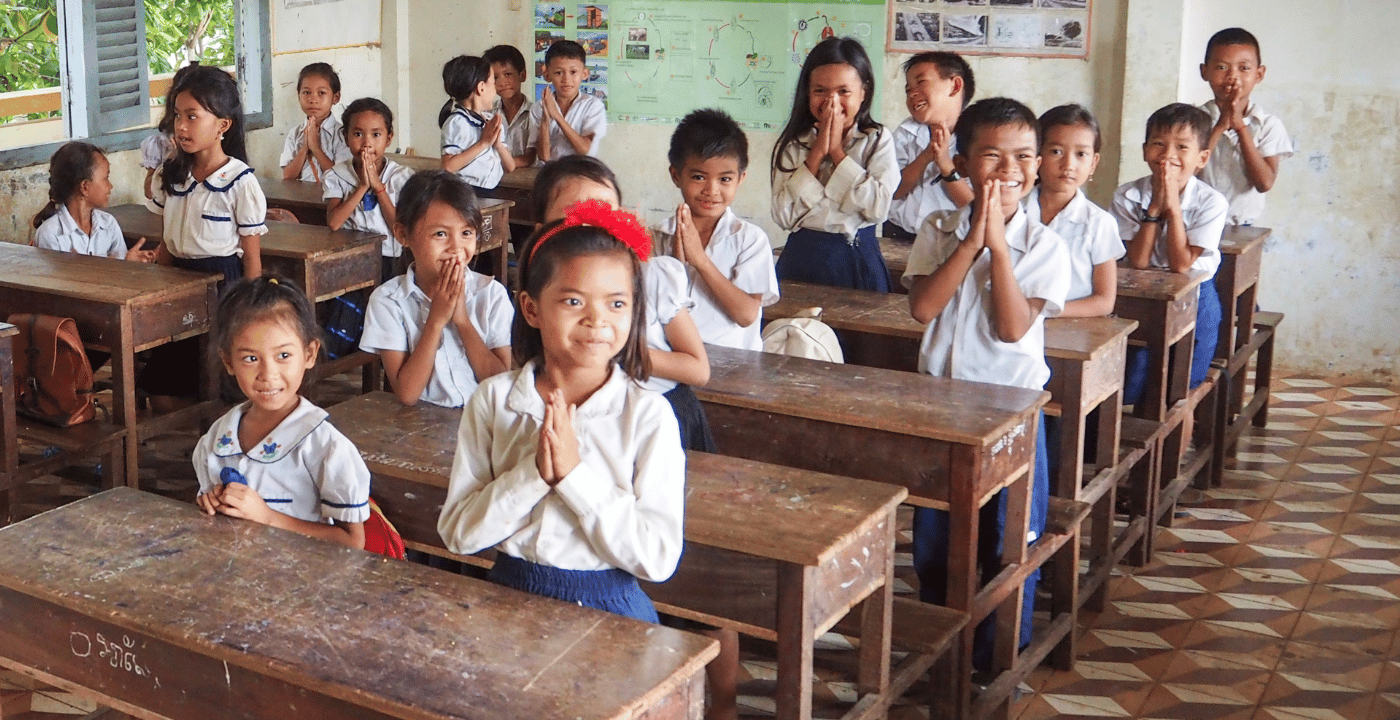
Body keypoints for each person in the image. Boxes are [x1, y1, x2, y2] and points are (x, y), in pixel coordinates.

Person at [437, 200, 683, 626]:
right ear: (531, 308)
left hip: (612, 611)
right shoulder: (493, 401)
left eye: (616, 304)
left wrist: (573, 477)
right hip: (507, 601)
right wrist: (534, 476)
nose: (596, 321)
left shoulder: (648, 416)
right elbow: (458, 534)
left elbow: (658, 558)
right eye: (573, 301)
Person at [903, 97, 1070, 673]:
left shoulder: (1046, 247)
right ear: (965, 163)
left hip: (1010, 411)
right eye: (993, 157)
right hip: (941, 407)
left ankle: (999, 659)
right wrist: (972, 239)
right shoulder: (938, 227)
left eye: (1024, 157)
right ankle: (940, 651)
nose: (1010, 171)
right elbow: (923, 308)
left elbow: (1011, 326)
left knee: (1008, 541)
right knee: (933, 543)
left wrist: (998, 246)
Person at [193, 276, 401, 558]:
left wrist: (267, 517)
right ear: (229, 362)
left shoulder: (325, 447)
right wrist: (212, 503)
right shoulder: (216, 439)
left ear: (309, 353)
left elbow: (352, 542)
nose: (268, 374)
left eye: (283, 355)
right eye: (250, 359)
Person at [534, 156, 711, 451]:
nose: (592, 232)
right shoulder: (543, 293)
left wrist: (613, 350)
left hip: (661, 412)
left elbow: (698, 369)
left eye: (605, 217)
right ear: (542, 231)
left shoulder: (651, 276)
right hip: (581, 419)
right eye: (576, 218)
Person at [142, 65, 267, 411]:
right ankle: (201, 429)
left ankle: (218, 428)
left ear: (222, 125)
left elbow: (252, 258)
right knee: (162, 392)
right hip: (177, 280)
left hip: (221, 284)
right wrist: (157, 285)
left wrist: (250, 311)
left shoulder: (239, 181)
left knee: (219, 380)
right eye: (178, 116)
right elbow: (167, 239)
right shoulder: (172, 174)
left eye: (193, 117)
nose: (181, 126)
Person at [360, 171, 512, 408]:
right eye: (440, 234)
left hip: (484, 425)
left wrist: (462, 321)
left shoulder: (491, 295)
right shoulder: (388, 301)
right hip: (421, 430)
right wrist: (436, 321)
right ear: (403, 235)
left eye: (466, 233)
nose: (456, 247)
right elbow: (407, 393)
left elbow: (501, 385)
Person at [1112, 103, 1228, 404]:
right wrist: (1154, 208)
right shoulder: (1127, 195)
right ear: (1144, 150)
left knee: (1181, 390)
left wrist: (1173, 207)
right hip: (1141, 297)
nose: (1167, 156)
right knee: (1134, 384)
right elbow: (1137, 261)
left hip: (1197, 295)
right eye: (1158, 144)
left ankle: (1174, 443)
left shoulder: (1212, 203)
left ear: (1202, 158)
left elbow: (1181, 265)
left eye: (1181, 147)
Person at [771, 37, 897, 292]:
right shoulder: (794, 143)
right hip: (801, 260)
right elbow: (783, 215)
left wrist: (837, 152)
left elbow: (878, 209)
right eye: (820, 91)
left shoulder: (876, 140)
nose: (832, 102)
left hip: (857, 259)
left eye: (843, 91)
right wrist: (817, 152)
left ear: (864, 93)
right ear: (807, 93)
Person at [652, 108, 778, 352]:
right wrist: (676, 268)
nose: (711, 190)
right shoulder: (658, 236)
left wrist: (699, 260)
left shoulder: (750, 240)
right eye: (699, 177)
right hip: (673, 359)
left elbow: (746, 315)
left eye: (725, 179)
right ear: (676, 175)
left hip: (735, 366)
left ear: (740, 179)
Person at [1025, 104, 1122, 317]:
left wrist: (1039, 312)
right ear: (1037, 155)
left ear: (1094, 163)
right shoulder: (1015, 210)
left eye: (1081, 154)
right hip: (1012, 326)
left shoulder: (1099, 223)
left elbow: (1104, 301)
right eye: (1056, 151)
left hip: (1073, 327)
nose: (1068, 164)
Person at [1198, 27, 1293, 226]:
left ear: (1259, 74)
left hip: (1241, 229)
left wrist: (1240, 127)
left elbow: (1264, 183)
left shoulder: (1268, 125)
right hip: (1193, 224)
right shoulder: (1192, 121)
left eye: (1244, 68)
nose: (1233, 77)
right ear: (1204, 71)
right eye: (1222, 67)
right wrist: (1220, 127)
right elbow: (1185, 173)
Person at [324, 97, 414, 281]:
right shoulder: (336, 175)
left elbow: (402, 230)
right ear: (345, 137)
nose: (366, 143)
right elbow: (334, 223)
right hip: (350, 257)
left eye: (376, 135)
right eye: (357, 134)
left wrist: (378, 187)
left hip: (390, 259)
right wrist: (363, 185)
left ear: (388, 138)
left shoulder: (401, 177)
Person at [887, 51, 975, 240]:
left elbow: (973, 205)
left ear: (955, 86)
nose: (912, 94)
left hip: (950, 239)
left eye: (921, 82)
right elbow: (892, 191)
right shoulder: (906, 132)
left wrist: (945, 163)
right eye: (908, 90)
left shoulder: (976, 137)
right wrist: (926, 156)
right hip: (898, 232)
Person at [32, 142, 154, 262]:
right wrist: (122, 263)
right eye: (106, 178)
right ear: (85, 187)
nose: (110, 186)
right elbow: (57, 281)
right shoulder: (50, 234)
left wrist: (128, 263)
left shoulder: (108, 224)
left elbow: (120, 274)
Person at [440, 55, 516, 192]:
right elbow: (448, 166)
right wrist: (484, 143)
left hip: (491, 191)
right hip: (465, 193)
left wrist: (497, 144)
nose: (496, 90)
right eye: (493, 83)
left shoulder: (490, 120)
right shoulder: (457, 122)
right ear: (481, 88)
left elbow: (510, 167)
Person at [530, 40, 607, 163]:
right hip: (550, 174)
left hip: (581, 174)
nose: (566, 79)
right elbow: (544, 156)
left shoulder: (593, 106)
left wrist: (557, 116)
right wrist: (546, 119)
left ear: (584, 73)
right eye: (559, 72)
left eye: (573, 72)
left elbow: (585, 151)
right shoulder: (538, 108)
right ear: (547, 75)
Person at [280, 63, 351, 182]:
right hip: (301, 197)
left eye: (321, 93)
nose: (313, 100)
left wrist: (315, 148)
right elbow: (288, 176)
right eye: (307, 93)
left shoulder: (343, 134)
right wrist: (304, 148)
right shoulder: (295, 134)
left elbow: (341, 178)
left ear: (336, 97)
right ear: (299, 96)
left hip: (333, 200)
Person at [483, 44, 536, 168]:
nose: (502, 83)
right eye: (495, 78)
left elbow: (530, 157)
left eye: (508, 74)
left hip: (526, 181)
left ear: (522, 75)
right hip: (495, 180)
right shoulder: (488, 113)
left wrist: (504, 165)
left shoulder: (535, 113)